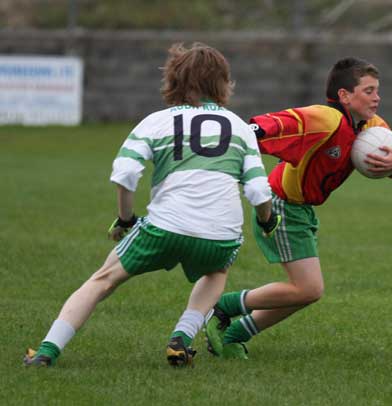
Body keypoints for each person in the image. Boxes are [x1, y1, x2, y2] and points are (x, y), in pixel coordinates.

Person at [23, 42, 280, 368]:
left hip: (164, 227)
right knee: (216, 272)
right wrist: (267, 221)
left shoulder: (156, 121)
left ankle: (47, 351)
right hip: (221, 235)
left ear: (175, 81)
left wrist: (126, 219)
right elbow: (259, 189)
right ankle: (181, 339)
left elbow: (126, 173)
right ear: (223, 83)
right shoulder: (240, 128)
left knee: (102, 280)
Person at [205, 57, 392, 359]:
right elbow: (270, 125)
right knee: (309, 289)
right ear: (345, 96)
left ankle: (234, 336)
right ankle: (224, 307)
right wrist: (223, 142)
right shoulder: (325, 118)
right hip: (280, 207)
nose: (377, 97)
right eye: (369, 91)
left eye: (377, 90)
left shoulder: (372, 127)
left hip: (302, 211)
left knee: (303, 292)